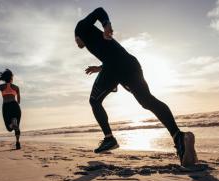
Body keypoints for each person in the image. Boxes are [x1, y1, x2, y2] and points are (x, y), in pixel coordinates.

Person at [74, 7, 197, 166]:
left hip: (115, 67)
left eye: (76, 42)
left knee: (94, 101)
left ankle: (109, 139)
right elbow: (111, 54)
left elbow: (99, 11)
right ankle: (179, 138)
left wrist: (106, 25)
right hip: (129, 64)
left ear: (76, 36)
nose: (78, 45)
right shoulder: (95, 41)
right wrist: (100, 68)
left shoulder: (80, 28)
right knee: (148, 101)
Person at [0, 69, 22, 150]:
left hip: (6, 107)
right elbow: (19, 101)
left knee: (9, 129)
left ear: (4, 78)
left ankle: (12, 124)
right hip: (15, 106)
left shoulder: (1, 87)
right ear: (11, 78)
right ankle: (17, 143)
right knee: (17, 127)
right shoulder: (16, 87)